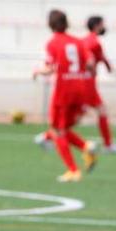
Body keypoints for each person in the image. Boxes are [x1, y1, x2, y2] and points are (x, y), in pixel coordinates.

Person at [32, 9, 97, 182]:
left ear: (50, 24)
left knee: (57, 131)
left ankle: (73, 170)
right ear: (66, 23)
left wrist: (37, 71)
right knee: (62, 129)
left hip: (63, 91)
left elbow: (49, 68)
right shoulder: (78, 42)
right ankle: (86, 146)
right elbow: (90, 63)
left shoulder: (52, 43)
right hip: (80, 90)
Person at [82, 15, 116, 153]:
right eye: (102, 24)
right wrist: (108, 67)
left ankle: (47, 137)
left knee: (73, 116)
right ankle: (108, 145)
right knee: (101, 110)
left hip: (79, 83)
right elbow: (99, 59)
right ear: (96, 26)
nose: (104, 27)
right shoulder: (94, 42)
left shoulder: (83, 41)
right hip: (87, 85)